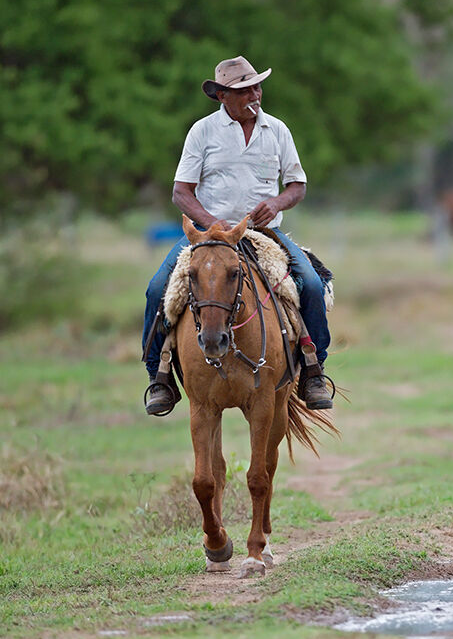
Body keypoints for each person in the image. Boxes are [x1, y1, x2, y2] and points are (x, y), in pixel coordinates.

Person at [141, 56, 334, 414]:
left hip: (263, 234)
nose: (255, 94)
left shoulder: (277, 130)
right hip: (208, 238)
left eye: (257, 87)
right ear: (222, 96)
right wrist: (213, 224)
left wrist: (276, 203)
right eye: (245, 90)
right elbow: (181, 192)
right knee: (158, 288)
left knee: (309, 282)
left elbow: (297, 185)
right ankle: (160, 376)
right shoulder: (202, 132)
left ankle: (313, 371)